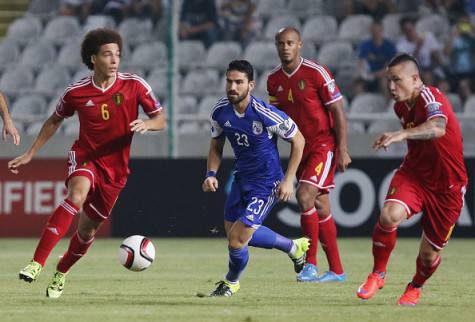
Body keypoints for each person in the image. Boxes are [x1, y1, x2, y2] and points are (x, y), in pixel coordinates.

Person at [9, 28, 165, 298]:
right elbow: (54, 120)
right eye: (107, 55)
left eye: (117, 54)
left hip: (116, 170)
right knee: (76, 195)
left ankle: (61, 272)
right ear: (93, 59)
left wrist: (148, 124)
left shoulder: (135, 85)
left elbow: (161, 119)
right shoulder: (77, 92)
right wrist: (31, 153)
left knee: (87, 230)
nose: (115, 60)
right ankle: (36, 262)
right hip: (86, 156)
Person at [356, 53, 467, 306]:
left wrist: (400, 135)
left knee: (428, 257)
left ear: (416, 79)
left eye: (397, 80)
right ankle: (378, 273)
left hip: (448, 187)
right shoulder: (400, 106)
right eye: (388, 81)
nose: (392, 88)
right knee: (389, 215)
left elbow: (437, 127)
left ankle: (415, 286)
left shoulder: (431, 96)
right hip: (415, 174)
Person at [202, 60, 308, 297]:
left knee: (237, 241)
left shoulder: (265, 113)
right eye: (229, 81)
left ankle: (231, 283)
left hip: (267, 183)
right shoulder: (220, 111)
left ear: (251, 85)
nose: (232, 87)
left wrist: (289, 179)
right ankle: (294, 247)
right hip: (241, 179)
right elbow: (216, 145)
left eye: (239, 82)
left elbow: (299, 140)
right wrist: (211, 174)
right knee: (234, 235)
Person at [267, 27, 351, 283]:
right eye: (281, 43)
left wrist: (343, 149)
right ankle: (337, 271)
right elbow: (274, 120)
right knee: (320, 206)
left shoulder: (317, 73)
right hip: (299, 148)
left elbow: (337, 111)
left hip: (323, 144)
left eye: (290, 43)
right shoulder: (273, 80)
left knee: (304, 195)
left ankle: (310, 265)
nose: (285, 47)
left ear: (300, 45)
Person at [356, 21, 397, 95]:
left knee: (383, 81)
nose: (375, 33)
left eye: (377, 30)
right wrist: (363, 73)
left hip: (383, 75)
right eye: (373, 31)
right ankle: (359, 102)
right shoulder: (365, 45)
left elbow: (390, 66)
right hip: (369, 75)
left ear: (382, 30)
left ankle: (385, 102)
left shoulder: (389, 46)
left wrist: (375, 75)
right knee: (358, 84)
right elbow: (360, 62)